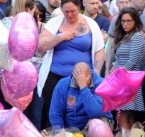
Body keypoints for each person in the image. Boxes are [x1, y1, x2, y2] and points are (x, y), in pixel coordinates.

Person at [37, 0, 105, 129]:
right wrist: (61, 37)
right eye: (66, 12)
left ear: (79, 8)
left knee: (83, 114)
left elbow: (99, 51)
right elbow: (40, 46)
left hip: (83, 78)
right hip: (55, 77)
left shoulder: (91, 24)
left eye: (72, 11)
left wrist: (94, 74)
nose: (69, 15)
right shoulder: (54, 23)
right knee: (55, 115)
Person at [110, 7, 145, 130]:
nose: (125, 24)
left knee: (122, 116)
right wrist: (114, 68)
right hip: (122, 79)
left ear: (135, 21)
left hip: (129, 80)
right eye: (123, 21)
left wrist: (117, 73)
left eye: (129, 21)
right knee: (128, 115)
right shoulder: (124, 36)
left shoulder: (137, 36)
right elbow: (118, 59)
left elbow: (133, 61)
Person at [49, 62, 113, 130]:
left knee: (98, 125)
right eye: (76, 78)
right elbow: (55, 114)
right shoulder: (63, 84)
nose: (79, 81)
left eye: (81, 78)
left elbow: (96, 112)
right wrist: (61, 135)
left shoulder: (101, 84)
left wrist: (83, 88)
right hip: (71, 129)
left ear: (90, 76)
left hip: (96, 123)